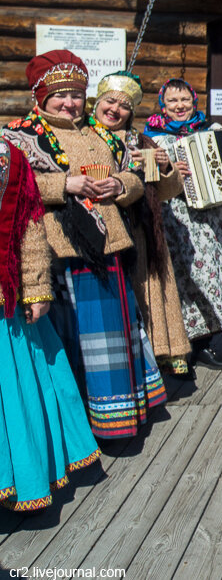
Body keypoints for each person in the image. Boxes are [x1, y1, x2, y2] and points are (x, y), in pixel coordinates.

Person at [3, 51, 166, 439]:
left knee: (113, 338)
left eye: (76, 95)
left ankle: (118, 422)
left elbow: (137, 176)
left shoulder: (99, 132)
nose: (69, 103)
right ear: (38, 96)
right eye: (59, 95)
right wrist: (65, 185)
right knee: (74, 340)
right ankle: (81, 430)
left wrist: (121, 185)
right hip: (59, 253)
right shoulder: (19, 135)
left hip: (109, 246)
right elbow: (13, 189)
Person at [0, 136, 100, 511]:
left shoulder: (8, 158)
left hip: (5, 305)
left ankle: (18, 480)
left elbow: (29, 226)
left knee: (14, 393)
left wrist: (38, 289)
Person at [144, 78, 222, 370]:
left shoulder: (213, 130)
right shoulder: (151, 138)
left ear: (194, 101)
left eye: (185, 100)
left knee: (220, 276)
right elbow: (146, 181)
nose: (180, 106)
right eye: (172, 101)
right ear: (163, 104)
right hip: (178, 221)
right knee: (187, 280)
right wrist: (167, 169)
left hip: (216, 222)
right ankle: (193, 344)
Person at [90, 71, 193, 378]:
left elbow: (166, 191)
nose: (114, 110)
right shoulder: (83, 137)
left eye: (123, 107)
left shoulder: (141, 141)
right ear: (96, 103)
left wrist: (162, 166)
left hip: (139, 231)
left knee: (146, 298)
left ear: (131, 112)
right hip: (99, 232)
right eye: (109, 102)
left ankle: (156, 358)